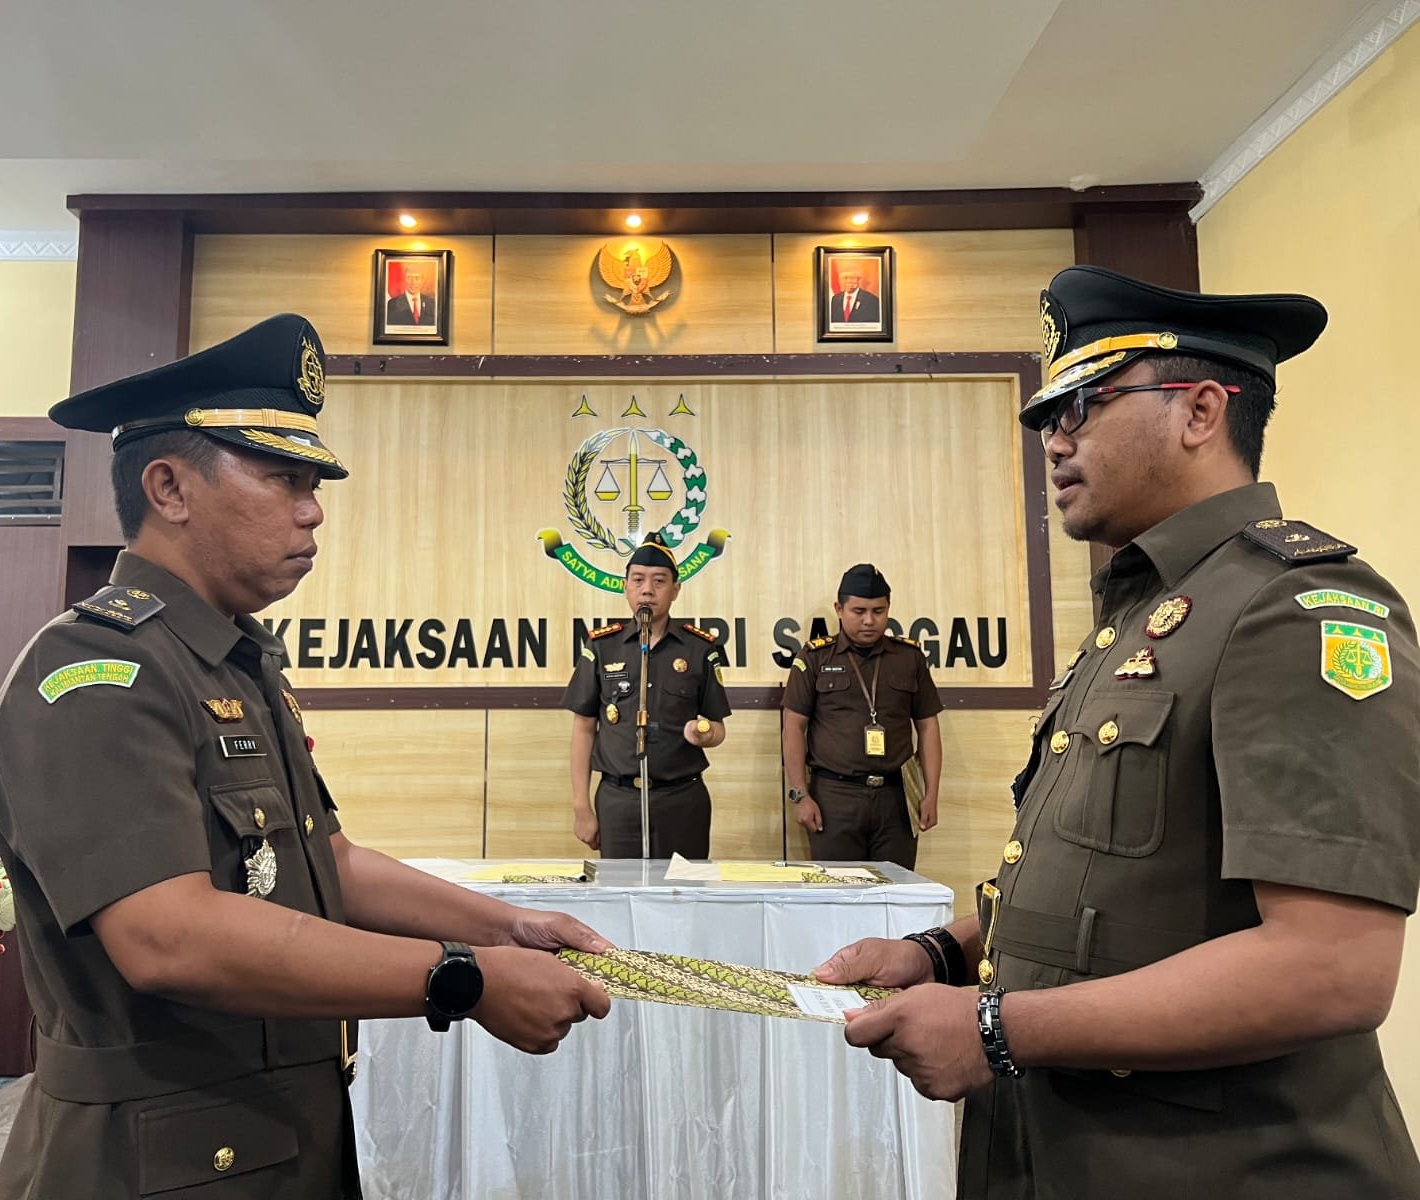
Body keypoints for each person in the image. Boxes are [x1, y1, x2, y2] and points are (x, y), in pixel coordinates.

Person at [0, 314, 611, 1199]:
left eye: (315, 484)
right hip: (153, 1154)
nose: (313, 509)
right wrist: (461, 978)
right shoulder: (98, 673)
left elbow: (323, 861)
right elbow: (169, 936)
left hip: (278, 1131)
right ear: (169, 488)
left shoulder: (237, 659)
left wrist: (499, 927)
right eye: (282, 479)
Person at [814, 266, 1420, 1197]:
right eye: (1052, 414)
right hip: (1067, 1149)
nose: (1055, 437)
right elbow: (1114, 893)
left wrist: (995, 1029)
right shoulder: (1143, 618)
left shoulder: (1292, 607)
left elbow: (1330, 967)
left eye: (1086, 403)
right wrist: (940, 953)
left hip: (1223, 1167)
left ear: (1201, 410)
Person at [564, 531, 730, 857]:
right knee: (619, 897)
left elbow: (718, 728)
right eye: (638, 580)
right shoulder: (601, 646)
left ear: (675, 590)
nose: (647, 590)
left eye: (659, 581)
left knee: (684, 899)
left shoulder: (700, 648)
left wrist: (704, 735)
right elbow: (584, 729)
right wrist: (581, 806)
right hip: (618, 799)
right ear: (625, 586)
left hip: (683, 799)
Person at [781, 563, 942, 867]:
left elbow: (928, 727)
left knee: (894, 895)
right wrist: (800, 795)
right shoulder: (815, 657)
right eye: (859, 611)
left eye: (878, 611)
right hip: (834, 797)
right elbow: (793, 727)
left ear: (888, 609)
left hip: (896, 797)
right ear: (839, 609)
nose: (869, 621)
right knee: (836, 897)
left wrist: (930, 793)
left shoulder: (909, 658)